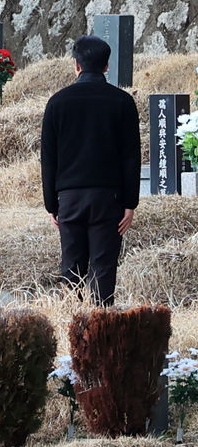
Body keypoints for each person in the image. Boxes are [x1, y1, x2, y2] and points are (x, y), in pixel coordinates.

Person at [41, 35, 141, 305]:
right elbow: (131, 157)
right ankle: (101, 325)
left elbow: (48, 159)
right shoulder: (122, 102)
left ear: (76, 65)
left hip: (69, 197)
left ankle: (72, 324)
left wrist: (51, 204)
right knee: (103, 265)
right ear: (107, 66)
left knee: (71, 266)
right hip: (109, 197)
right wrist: (130, 203)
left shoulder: (57, 103)